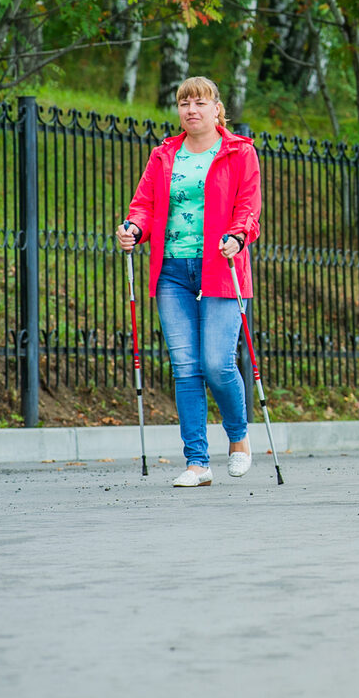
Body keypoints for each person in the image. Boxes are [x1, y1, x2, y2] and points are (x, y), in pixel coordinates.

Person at [115, 77, 261, 488]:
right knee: (186, 367)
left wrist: (237, 235)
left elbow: (249, 207)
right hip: (173, 271)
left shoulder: (239, 152)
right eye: (184, 103)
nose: (191, 110)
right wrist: (133, 229)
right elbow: (143, 205)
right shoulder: (164, 155)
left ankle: (238, 437)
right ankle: (197, 462)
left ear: (217, 109)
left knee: (217, 363)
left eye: (200, 102)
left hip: (221, 265)